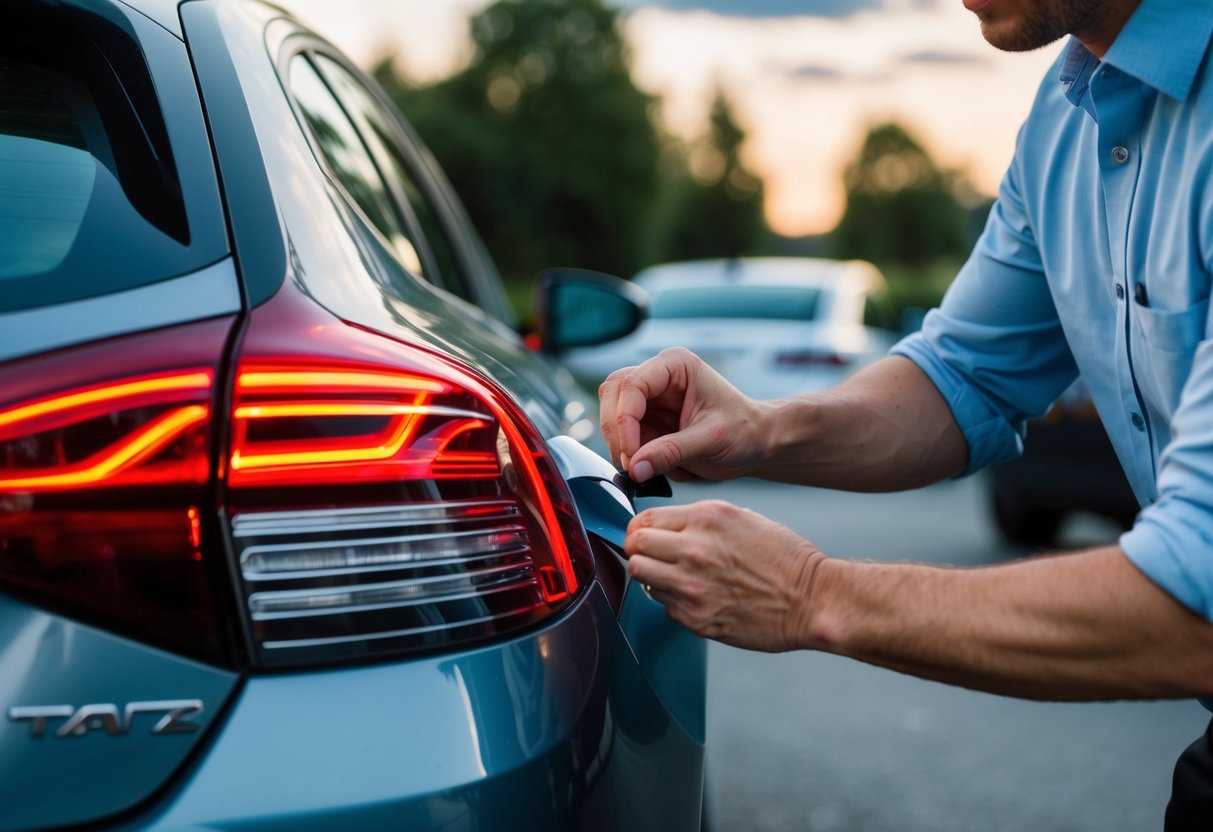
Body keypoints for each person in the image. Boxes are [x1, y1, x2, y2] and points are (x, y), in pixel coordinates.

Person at [598, 0, 1213, 827]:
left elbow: (1195, 600)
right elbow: (964, 374)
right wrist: (759, 430)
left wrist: (807, 593)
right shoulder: (1065, 118)